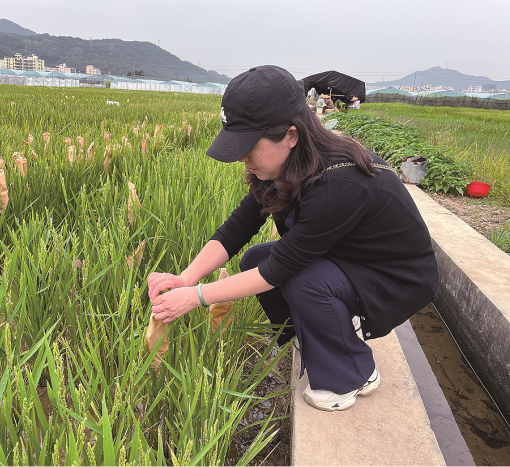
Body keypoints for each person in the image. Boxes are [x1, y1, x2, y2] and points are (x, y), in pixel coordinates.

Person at [147, 65, 438, 412]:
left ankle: (353, 374)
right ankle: (322, 338)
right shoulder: (286, 165)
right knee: (255, 257)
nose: (242, 157)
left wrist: (194, 297)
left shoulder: (338, 183)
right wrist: (186, 277)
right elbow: (238, 227)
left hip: (395, 277)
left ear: (291, 135)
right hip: (351, 257)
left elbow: (279, 269)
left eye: (250, 146)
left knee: (303, 281)